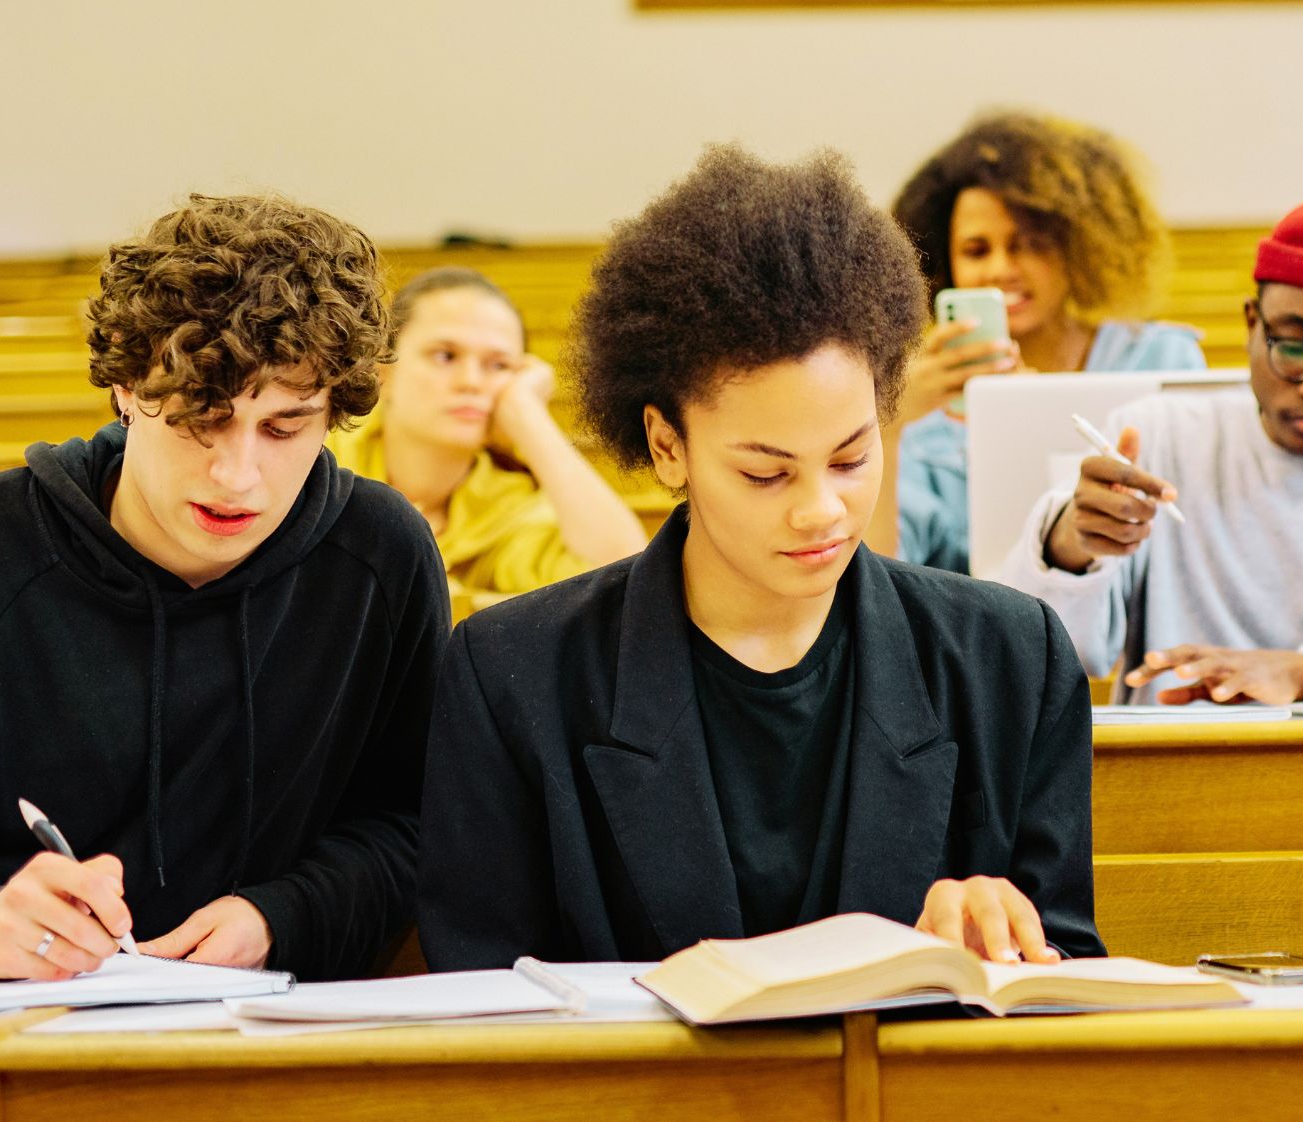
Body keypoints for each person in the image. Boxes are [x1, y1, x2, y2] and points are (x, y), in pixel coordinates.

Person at [416, 146, 1104, 971]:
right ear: (667, 447)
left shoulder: (1009, 659)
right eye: (765, 472)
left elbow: (1067, 976)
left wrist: (1005, 938)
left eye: (851, 458)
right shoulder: (514, 675)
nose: (821, 509)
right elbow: (483, 1006)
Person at [0, 195, 447, 991]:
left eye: (285, 428)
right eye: (201, 417)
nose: (237, 475)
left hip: (263, 1052)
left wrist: (284, 917)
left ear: (335, 413)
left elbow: (418, 827)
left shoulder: (380, 557)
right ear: (126, 387)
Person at [992, 196, 1303, 706]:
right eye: (1295, 347)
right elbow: (1034, 654)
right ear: (1252, 323)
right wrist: (1073, 544)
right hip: (1173, 772)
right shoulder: (1156, 438)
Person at [870, 111, 1206, 574]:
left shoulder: (1160, 359)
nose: (1001, 268)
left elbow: (1197, 534)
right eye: (976, 250)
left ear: (1079, 248)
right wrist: (890, 422)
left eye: (1029, 244)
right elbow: (881, 575)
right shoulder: (924, 410)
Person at [328, 267, 646, 595]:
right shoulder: (320, 456)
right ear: (385, 370)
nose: (472, 381)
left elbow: (621, 572)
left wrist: (527, 415)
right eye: (445, 355)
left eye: (499, 365)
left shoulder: (502, 507)